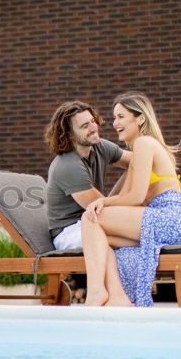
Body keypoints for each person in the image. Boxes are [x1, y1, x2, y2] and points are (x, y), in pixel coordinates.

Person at [81, 92, 181, 306]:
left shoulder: (145, 143)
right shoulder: (139, 151)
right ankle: (118, 296)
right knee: (97, 235)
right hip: (162, 220)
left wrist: (103, 202)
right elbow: (125, 197)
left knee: (91, 219)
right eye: (114, 118)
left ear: (140, 118)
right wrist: (106, 202)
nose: (116, 123)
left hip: (171, 218)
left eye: (121, 116)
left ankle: (96, 293)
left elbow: (136, 197)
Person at [45, 101, 132, 250]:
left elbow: (138, 161)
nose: (94, 128)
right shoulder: (68, 165)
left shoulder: (99, 147)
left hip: (92, 221)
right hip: (70, 232)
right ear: (69, 134)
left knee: (135, 168)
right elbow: (101, 211)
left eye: (92, 121)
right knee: (133, 237)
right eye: (85, 126)